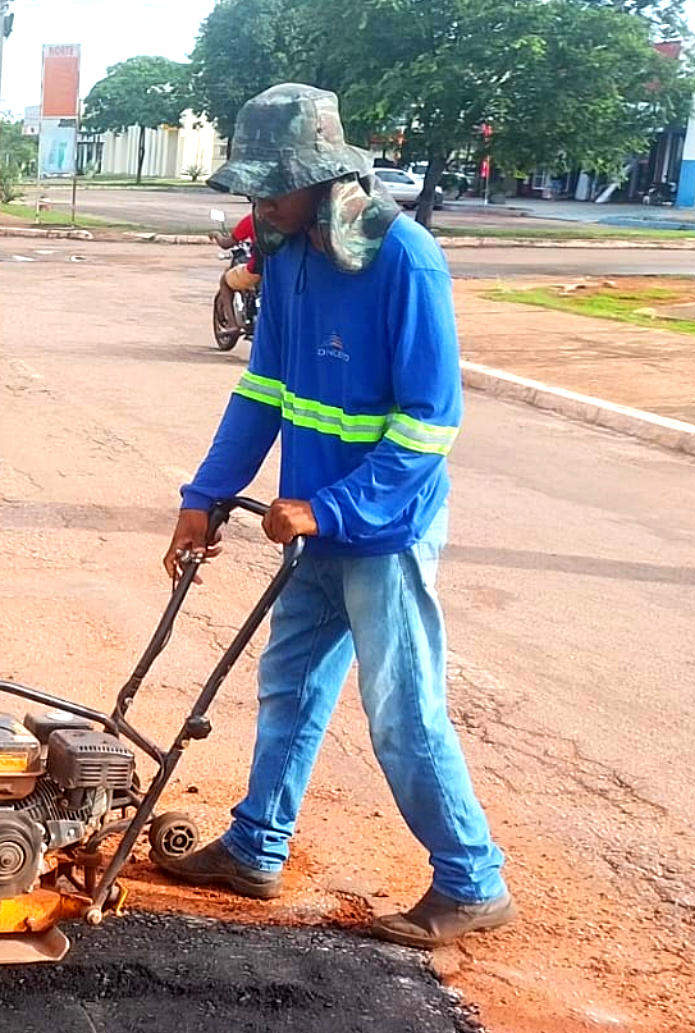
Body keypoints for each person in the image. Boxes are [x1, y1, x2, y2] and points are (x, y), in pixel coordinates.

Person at [157, 83, 511, 949]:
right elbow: (264, 392)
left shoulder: (405, 260)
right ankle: (255, 848)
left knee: (402, 712)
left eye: (269, 185)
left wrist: (332, 508)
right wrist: (203, 498)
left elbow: (430, 425)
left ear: (321, 178)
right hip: (308, 524)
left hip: (380, 531)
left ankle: (472, 882)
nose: (256, 203)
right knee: (289, 689)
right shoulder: (289, 258)